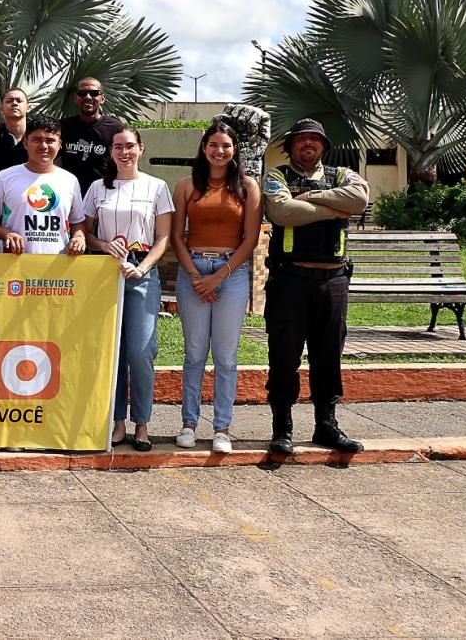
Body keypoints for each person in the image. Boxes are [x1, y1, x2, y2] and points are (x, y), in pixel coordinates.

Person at [262, 119, 369, 456]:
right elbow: (282, 211)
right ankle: (282, 428)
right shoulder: (277, 176)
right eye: (301, 139)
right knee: (284, 356)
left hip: (333, 282)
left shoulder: (341, 175)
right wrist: (334, 210)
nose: (308, 144)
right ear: (291, 145)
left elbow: (359, 199)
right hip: (289, 281)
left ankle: (326, 425)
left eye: (314, 139)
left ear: (323, 145)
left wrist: (311, 198)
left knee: (328, 357)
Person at [170, 123, 262, 454]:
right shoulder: (186, 185)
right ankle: (188, 424)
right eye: (213, 145)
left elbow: (251, 239)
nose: (219, 151)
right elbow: (175, 236)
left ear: (234, 150)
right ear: (204, 147)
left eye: (226, 145)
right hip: (192, 270)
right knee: (194, 353)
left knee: (225, 356)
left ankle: (222, 428)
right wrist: (197, 277)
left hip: (231, 274)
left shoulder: (247, 186)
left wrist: (219, 276)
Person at [83, 126, 173, 453]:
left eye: (130, 146)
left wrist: (143, 267)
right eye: (118, 147)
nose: (124, 152)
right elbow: (85, 232)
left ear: (141, 149)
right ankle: (118, 422)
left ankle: (143, 424)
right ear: (111, 151)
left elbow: (164, 238)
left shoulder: (157, 186)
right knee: (114, 351)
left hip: (142, 271)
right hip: (106, 271)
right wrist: (103, 245)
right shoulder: (97, 188)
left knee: (141, 350)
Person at [0, 118, 87, 256]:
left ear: (59, 144)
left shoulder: (70, 181)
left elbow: (77, 221)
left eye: (50, 140)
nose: (44, 146)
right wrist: (7, 234)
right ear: (26, 143)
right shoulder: (5, 178)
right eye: (37, 140)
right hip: (15, 263)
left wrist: (79, 237)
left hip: (58, 264)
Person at [59, 76, 124, 196]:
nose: (88, 97)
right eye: (82, 93)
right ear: (76, 98)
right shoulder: (63, 126)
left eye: (94, 93)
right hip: (70, 194)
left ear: (102, 98)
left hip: (104, 194)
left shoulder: (115, 128)